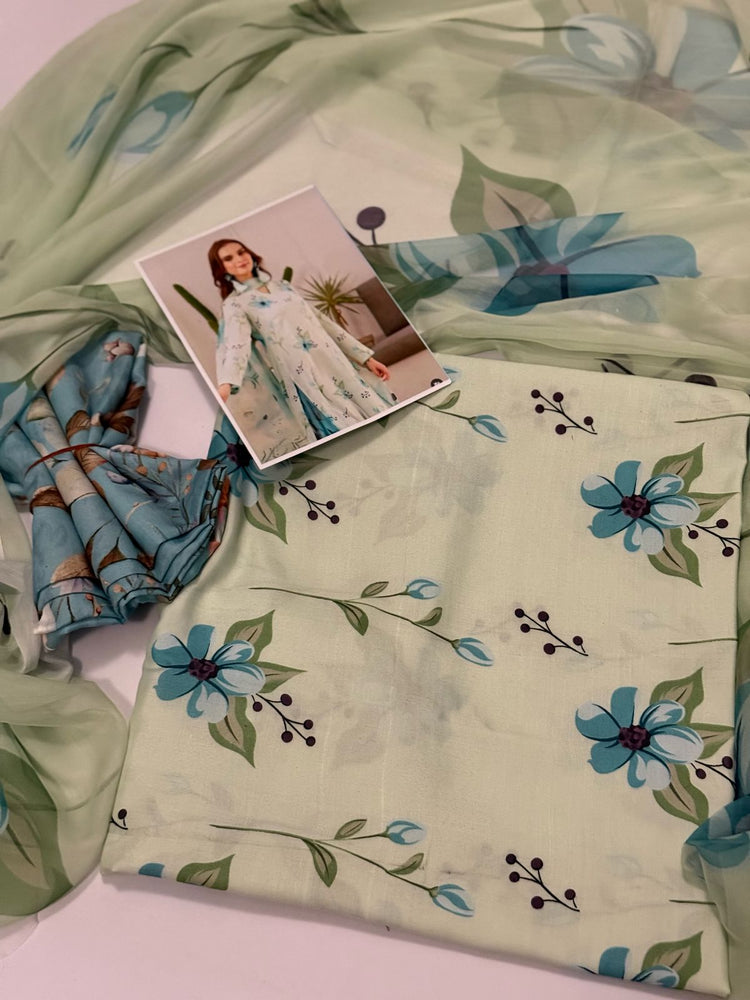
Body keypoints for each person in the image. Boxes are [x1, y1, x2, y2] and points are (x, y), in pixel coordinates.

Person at [208, 239, 393, 462]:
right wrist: (226, 383)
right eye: (228, 258)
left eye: (241, 252)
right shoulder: (236, 304)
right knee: (345, 428)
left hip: (333, 362)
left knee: (374, 413)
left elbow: (321, 321)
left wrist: (365, 358)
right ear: (221, 269)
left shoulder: (283, 286)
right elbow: (236, 344)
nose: (239, 259)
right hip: (301, 373)